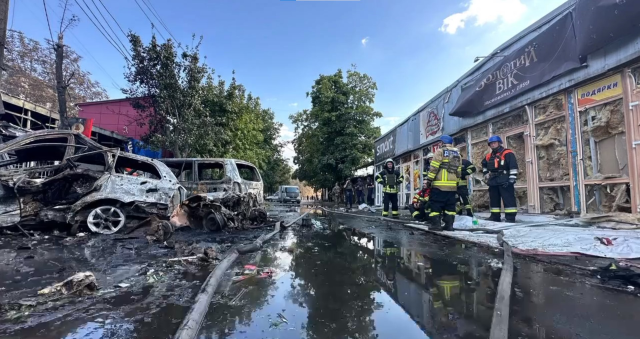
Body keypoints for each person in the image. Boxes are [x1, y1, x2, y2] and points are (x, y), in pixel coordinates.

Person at [425, 135, 461, 231]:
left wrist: (429, 180)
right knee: (450, 206)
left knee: (436, 204)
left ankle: (436, 225)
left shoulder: (440, 151)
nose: (439, 144)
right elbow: (459, 170)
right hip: (452, 186)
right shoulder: (457, 152)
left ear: (442, 142)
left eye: (440, 142)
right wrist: (456, 180)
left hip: (440, 185)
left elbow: (434, 168)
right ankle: (449, 226)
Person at [482, 135, 519, 222]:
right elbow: (484, 165)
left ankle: (510, 218)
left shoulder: (507, 153)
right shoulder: (488, 156)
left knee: (508, 199)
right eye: (491, 144)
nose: (492, 145)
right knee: (494, 199)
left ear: (499, 143)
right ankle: (495, 217)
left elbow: (513, 166)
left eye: (494, 143)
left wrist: (511, 179)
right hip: (493, 180)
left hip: (505, 179)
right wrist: (486, 173)